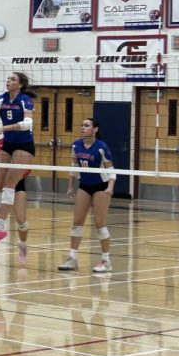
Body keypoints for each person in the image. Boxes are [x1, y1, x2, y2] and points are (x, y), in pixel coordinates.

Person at [0, 71, 36, 251]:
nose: (8, 81)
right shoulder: (1, 98)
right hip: (8, 145)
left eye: (13, 79)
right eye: (8, 79)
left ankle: (0, 226)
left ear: (20, 84)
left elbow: (28, 124)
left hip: (24, 145)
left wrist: (3, 128)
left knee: (8, 186)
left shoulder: (25, 99)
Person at [58, 117, 116, 273]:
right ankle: (72, 258)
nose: (83, 128)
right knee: (77, 222)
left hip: (101, 186)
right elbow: (74, 166)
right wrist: (70, 186)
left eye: (86, 125)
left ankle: (106, 260)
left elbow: (111, 170)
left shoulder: (101, 147)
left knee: (99, 224)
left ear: (95, 129)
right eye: (82, 125)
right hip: (84, 185)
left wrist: (110, 188)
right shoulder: (76, 145)